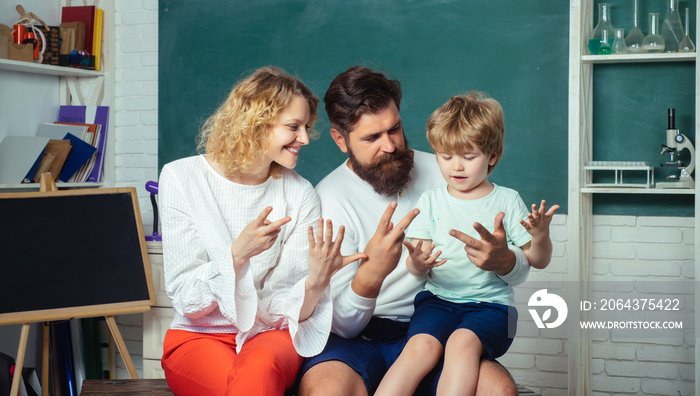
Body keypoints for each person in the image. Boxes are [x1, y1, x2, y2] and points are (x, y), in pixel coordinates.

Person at [298, 66, 533, 396]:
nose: (391, 146)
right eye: (371, 138)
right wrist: (372, 275)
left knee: (498, 390)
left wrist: (505, 261)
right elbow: (340, 326)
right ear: (341, 139)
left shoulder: (448, 173)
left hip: (434, 325)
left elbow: (520, 270)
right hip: (356, 340)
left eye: (394, 129)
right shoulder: (328, 200)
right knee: (327, 391)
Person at [158, 66, 365, 395]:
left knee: (257, 371)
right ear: (255, 121)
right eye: (294, 127)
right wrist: (237, 255)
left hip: (269, 336)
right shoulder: (182, 178)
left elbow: (283, 307)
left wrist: (315, 283)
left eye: (306, 127)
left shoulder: (300, 194)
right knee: (245, 386)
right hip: (199, 337)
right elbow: (188, 301)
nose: (305, 139)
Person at [374, 92, 559, 396]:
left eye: (468, 157)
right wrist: (417, 264)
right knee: (418, 347)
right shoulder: (431, 200)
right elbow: (415, 261)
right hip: (437, 303)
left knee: (461, 344)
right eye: (446, 157)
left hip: (491, 308)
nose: (456, 167)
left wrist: (539, 237)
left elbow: (538, 260)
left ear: (492, 157)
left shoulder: (507, 199)